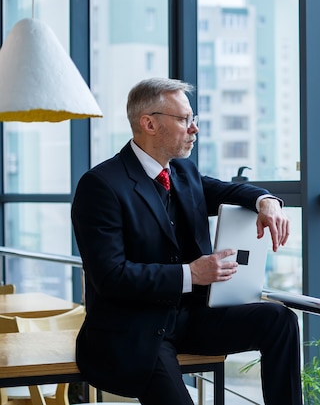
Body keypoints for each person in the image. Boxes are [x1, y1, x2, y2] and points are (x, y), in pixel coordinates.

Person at [71, 77, 303, 405]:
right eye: (184, 119)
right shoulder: (101, 186)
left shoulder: (183, 173)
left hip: (191, 320)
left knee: (280, 320)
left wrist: (267, 201)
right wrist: (191, 274)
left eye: (194, 119)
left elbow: (232, 191)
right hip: (136, 331)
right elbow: (111, 277)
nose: (194, 129)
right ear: (148, 123)